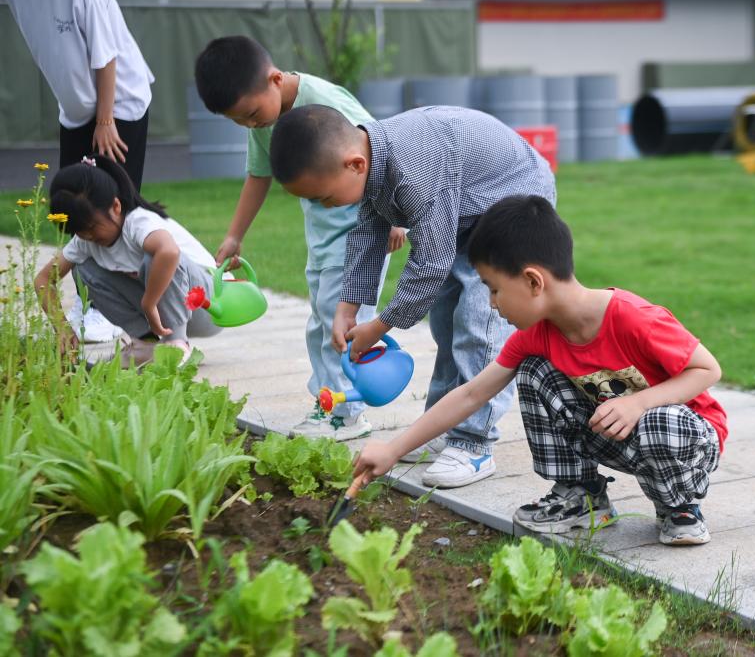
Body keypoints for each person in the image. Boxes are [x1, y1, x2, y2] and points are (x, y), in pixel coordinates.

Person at [352, 196, 728, 545]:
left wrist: (638, 404)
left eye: (494, 289)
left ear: (533, 281)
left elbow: (707, 369)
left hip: (684, 440)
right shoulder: (537, 336)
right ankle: (581, 496)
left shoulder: (633, 318)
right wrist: (392, 449)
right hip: (614, 434)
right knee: (533, 370)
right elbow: (471, 394)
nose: (492, 304)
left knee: (661, 421)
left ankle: (679, 508)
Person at [268, 105, 557, 489]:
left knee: (479, 318)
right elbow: (368, 234)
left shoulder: (412, 169)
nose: (325, 207)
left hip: (512, 200)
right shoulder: (372, 160)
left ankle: (473, 442)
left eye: (323, 197)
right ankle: (440, 422)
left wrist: (380, 324)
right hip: (467, 211)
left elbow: (430, 264)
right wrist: (346, 308)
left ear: (354, 165)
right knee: (445, 322)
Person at [193, 35, 404, 441]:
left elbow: (383, 147)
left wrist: (396, 217)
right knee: (320, 324)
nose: (251, 126)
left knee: (341, 324)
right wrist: (235, 235)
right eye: (240, 122)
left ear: (274, 79)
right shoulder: (263, 117)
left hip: (364, 231)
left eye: (251, 115)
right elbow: (258, 174)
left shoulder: (325, 101)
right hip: (323, 239)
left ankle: (348, 411)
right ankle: (327, 403)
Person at [34, 155, 221, 363]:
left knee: (157, 255)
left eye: (91, 227)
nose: (87, 237)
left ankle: (175, 342)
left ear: (115, 207)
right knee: (82, 267)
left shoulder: (138, 221)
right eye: (79, 231)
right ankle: (146, 343)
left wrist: (149, 303)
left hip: (209, 305)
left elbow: (169, 252)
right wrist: (62, 328)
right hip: (162, 313)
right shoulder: (86, 240)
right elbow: (43, 280)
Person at [0, 0, 154, 190]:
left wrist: (105, 122)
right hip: (76, 111)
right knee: (70, 208)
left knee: (111, 213)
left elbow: (106, 55)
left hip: (119, 103)